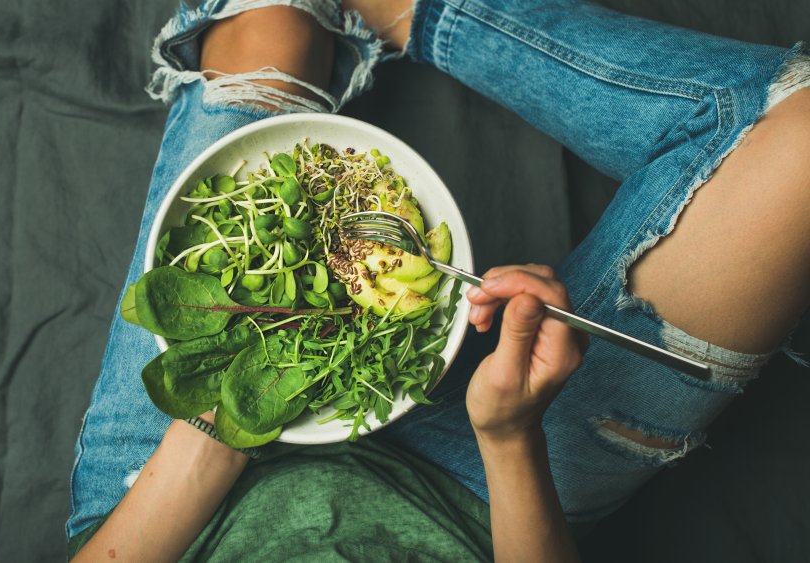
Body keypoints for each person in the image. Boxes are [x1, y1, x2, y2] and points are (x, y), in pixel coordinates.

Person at [66, 1, 810, 560]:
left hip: (172, 500)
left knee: (272, 22)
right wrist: (510, 433)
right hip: (474, 497)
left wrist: (212, 426)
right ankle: (417, 11)